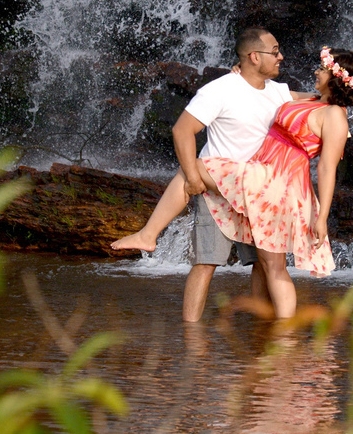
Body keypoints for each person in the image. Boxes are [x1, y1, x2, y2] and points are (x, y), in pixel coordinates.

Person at [113, 46, 353, 320]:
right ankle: (280, 331)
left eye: (323, 69)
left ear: (337, 77)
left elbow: (328, 168)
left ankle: (149, 235)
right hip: (264, 173)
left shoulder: (335, 116)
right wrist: (243, 76)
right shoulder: (314, 101)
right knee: (271, 265)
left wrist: (322, 216)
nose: (316, 71)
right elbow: (277, 94)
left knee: (195, 169)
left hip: (278, 181)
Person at [113, 27, 292, 322]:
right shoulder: (220, 90)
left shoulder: (278, 91)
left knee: (262, 263)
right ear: (253, 56)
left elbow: (309, 100)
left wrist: (338, 92)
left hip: (257, 190)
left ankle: (260, 327)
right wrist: (194, 179)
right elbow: (182, 130)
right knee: (205, 262)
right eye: (274, 52)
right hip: (217, 189)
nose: (280, 57)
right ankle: (191, 331)